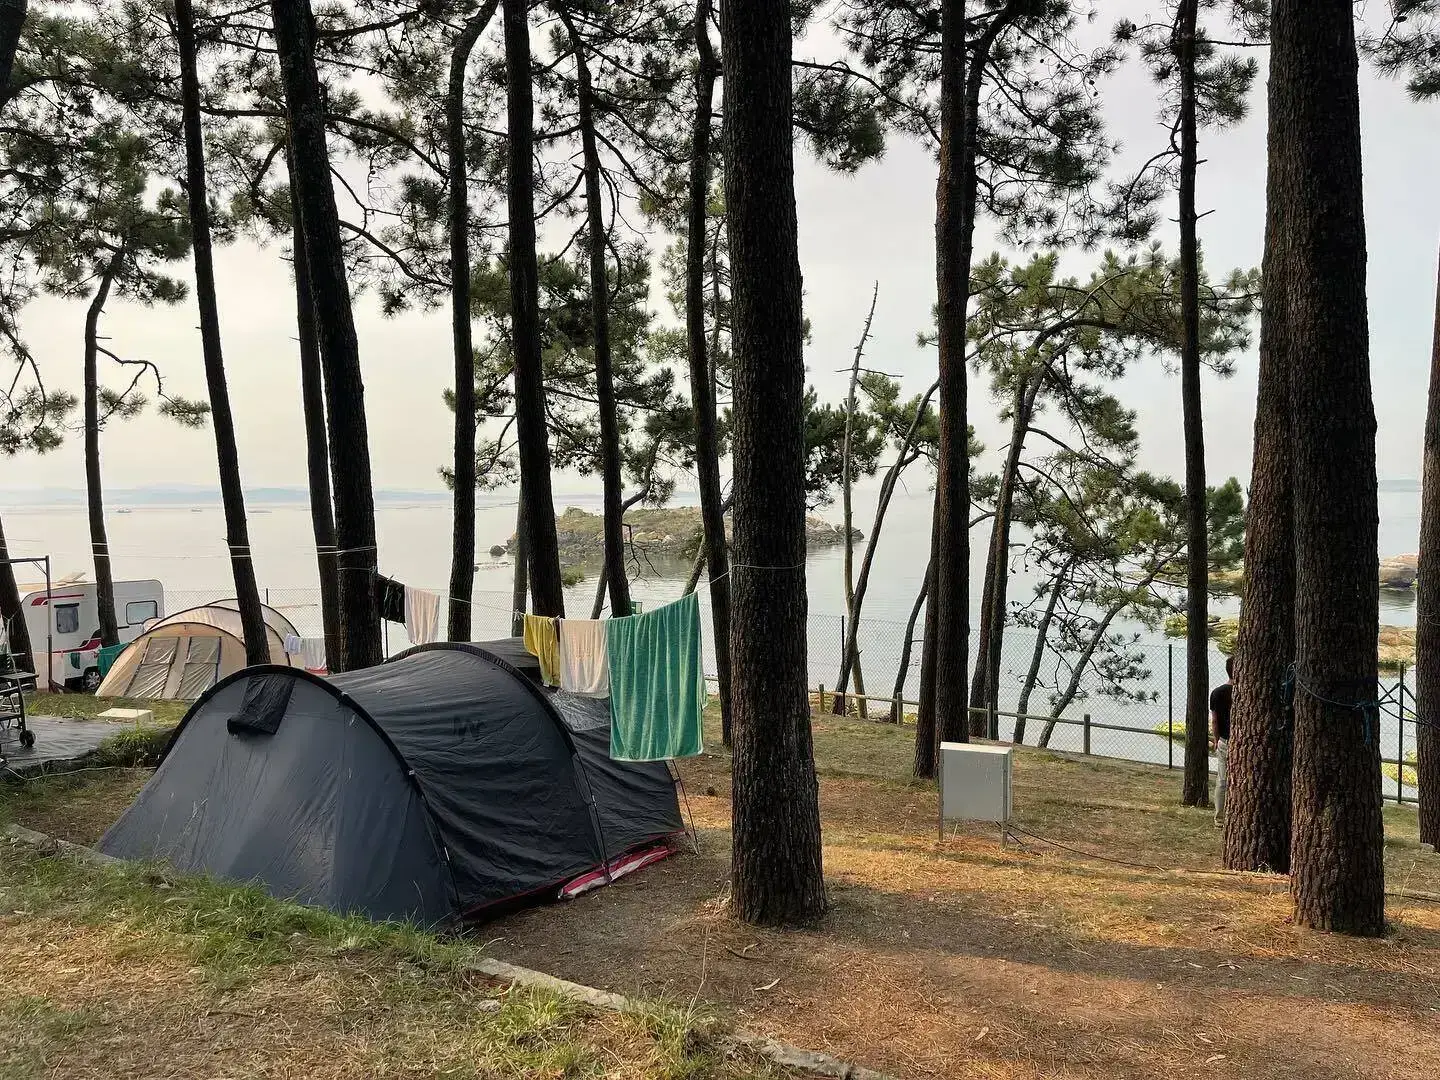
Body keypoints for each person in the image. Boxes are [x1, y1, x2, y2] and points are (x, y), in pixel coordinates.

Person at [1210, 657, 1234, 826]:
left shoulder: (1217, 693)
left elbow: (1214, 720)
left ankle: (1219, 818)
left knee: (1222, 780)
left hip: (1224, 740)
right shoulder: (1244, 693)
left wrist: (1216, 739)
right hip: (1237, 740)